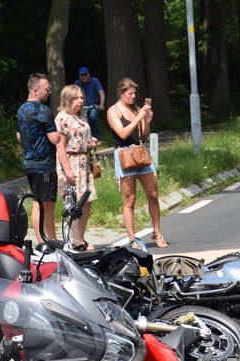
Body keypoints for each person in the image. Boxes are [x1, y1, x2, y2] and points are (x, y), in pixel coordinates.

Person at [106, 77, 167, 248]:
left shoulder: (137, 109)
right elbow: (122, 133)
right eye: (130, 94)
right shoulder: (113, 111)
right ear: (121, 93)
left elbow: (144, 135)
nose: (133, 97)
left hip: (140, 153)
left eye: (135, 94)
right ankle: (132, 239)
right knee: (130, 199)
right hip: (124, 154)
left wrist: (146, 121)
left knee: (153, 195)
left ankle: (157, 232)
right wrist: (138, 117)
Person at [16, 73, 62, 243]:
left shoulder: (21, 110)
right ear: (35, 90)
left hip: (30, 162)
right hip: (44, 164)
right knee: (42, 203)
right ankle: (43, 242)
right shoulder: (43, 110)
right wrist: (62, 133)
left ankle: (52, 240)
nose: (49, 92)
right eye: (47, 89)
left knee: (44, 202)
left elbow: (19, 136)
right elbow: (54, 138)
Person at [55, 84, 99, 250]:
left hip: (84, 161)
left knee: (86, 200)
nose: (80, 101)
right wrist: (67, 170)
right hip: (71, 161)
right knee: (74, 202)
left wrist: (91, 141)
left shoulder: (82, 115)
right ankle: (75, 240)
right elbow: (60, 146)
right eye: (76, 98)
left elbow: (81, 135)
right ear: (67, 99)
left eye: (81, 97)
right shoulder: (62, 118)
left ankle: (80, 237)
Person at [74, 67, 105, 139]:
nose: (84, 76)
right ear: (80, 76)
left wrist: (102, 104)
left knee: (92, 117)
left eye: (85, 74)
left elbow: (101, 93)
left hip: (94, 105)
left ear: (89, 74)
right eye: (82, 75)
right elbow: (73, 94)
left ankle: (97, 136)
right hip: (82, 106)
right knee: (82, 121)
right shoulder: (77, 83)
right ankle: (85, 137)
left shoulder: (95, 81)